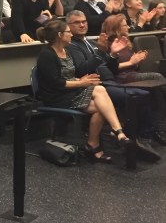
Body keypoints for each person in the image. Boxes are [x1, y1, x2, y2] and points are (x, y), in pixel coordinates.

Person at [66, 10, 166, 150]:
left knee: (145, 94)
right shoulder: (72, 46)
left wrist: (112, 54)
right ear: (68, 26)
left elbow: (110, 67)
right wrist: (101, 52)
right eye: (77, 22)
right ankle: (140, 137)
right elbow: (83, 70)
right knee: (140, 96)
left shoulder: (91, 42)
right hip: (98, 86)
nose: (82, 25)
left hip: (111, 81)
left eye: (84, 21)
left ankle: (141, 136)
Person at [36, 18, 131, 162]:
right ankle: (117, 133)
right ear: (60, 35)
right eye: (68, 32)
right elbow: (56, 84)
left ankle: (95, 144)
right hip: (56, 97)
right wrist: (81, 83)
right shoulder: (47, 54)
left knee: (100, 107)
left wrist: (82, 79)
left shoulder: (65, 50)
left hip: (69, 92)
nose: (71, 35)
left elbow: (75, 73)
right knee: (99, 91)